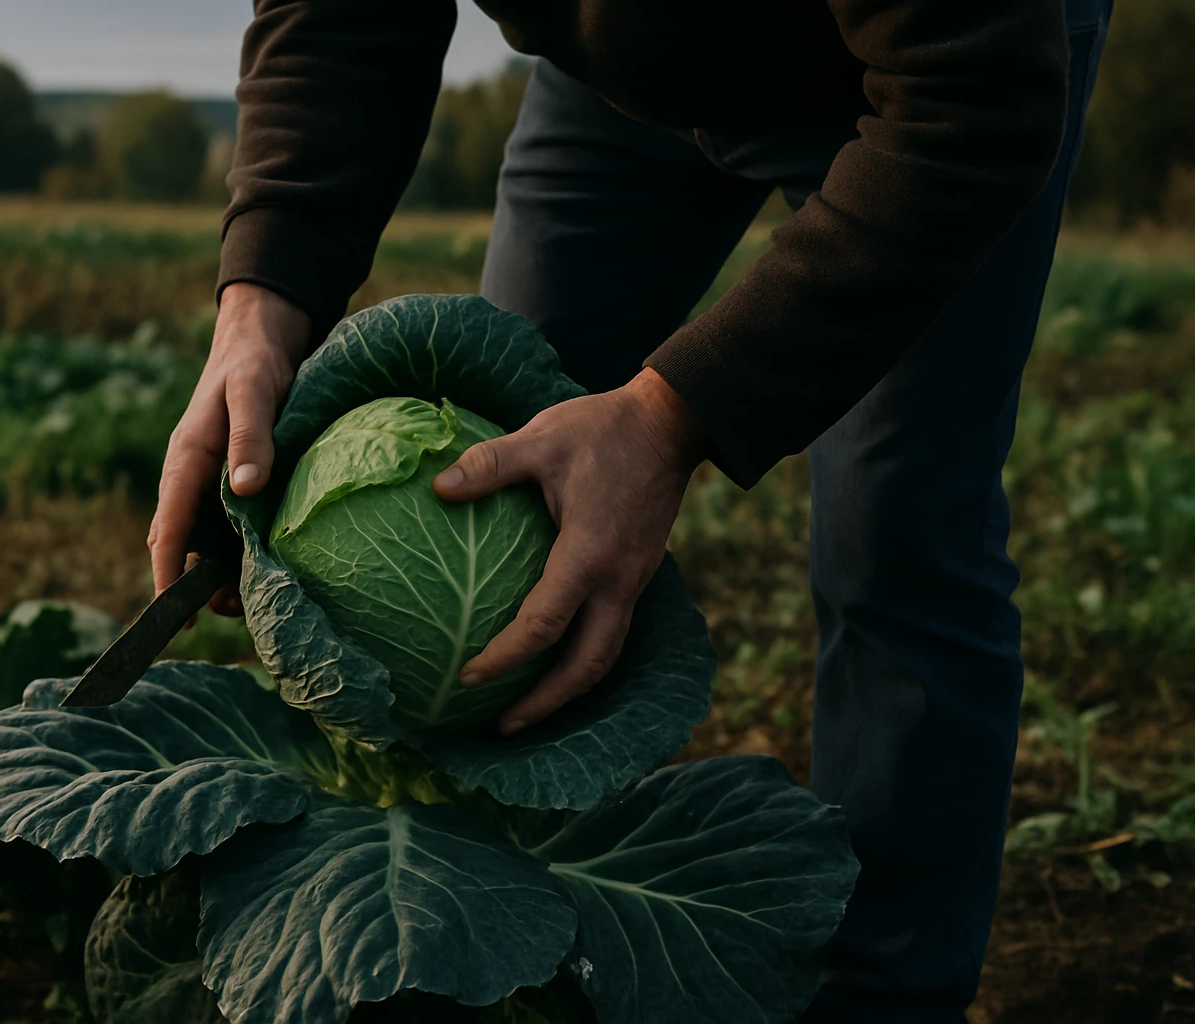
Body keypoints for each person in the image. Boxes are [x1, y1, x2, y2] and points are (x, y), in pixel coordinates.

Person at [147, 0, 1114, 1019]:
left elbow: (981, 100)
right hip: (617, 84)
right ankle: (512, 968)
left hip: (940, 83)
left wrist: (666, 420)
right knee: (510, 479)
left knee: (900, 539)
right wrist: (262, 301)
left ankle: (883, 997)